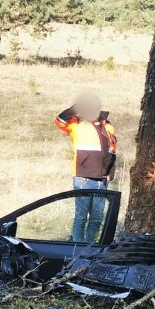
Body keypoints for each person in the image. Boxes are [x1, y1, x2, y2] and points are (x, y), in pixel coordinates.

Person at [54, 92, 118, 242]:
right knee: (81, 218)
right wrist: (77, 107)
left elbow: (113, 150)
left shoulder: (107, 126)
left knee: (97, 219)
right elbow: (59, 121)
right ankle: (77, 249)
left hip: (102, 180)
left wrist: (110, 173)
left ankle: (90, 249)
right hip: (83, 178)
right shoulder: (75, 123)